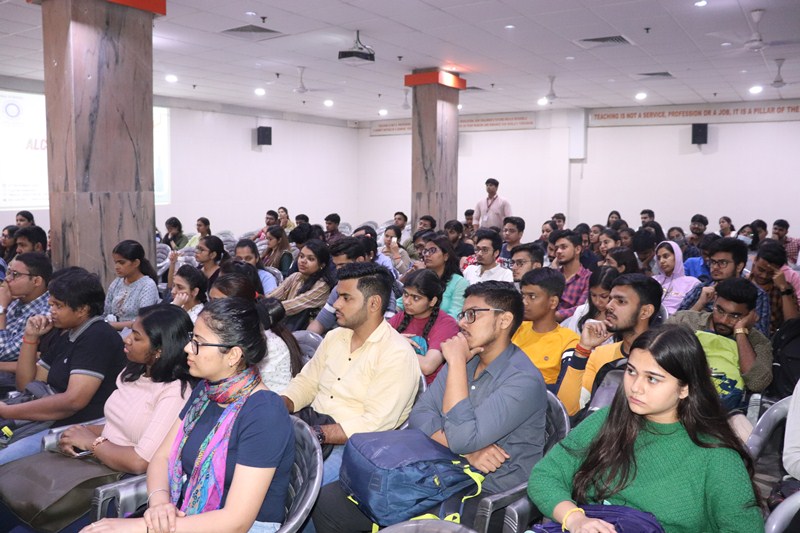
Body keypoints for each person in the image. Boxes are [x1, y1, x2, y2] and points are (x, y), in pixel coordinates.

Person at [312, 281, 548, 533]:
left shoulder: (522, 380)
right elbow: (420, 414)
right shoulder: (469, 359)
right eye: (462, 314)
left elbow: (462, 439)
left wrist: (455, 364)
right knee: (329, 502)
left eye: (472, 315)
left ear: (504, 320)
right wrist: (468, 453)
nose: (462, 323)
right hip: (443, 467)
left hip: (489, 493)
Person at [529, 324, 763, 532]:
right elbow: (546, 474)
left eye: (652, 378)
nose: (635, 387)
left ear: (685, 388)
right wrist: (574, 519)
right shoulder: (608, 421)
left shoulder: (716, 456)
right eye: (631, 371)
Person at [90, 298, 295, 533]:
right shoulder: (205, 392)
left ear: (233, 355)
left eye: (199, 342)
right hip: (190, 515)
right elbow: (162, 457)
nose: (188, 348)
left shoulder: (265, 413)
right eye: (191, 338)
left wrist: (142, 527)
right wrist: (159, 506)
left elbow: (237, 521)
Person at [0, 304, 195, 532]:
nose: (126, 339)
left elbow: (140, 461)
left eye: (136, 337)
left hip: (116, 481)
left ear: (159, 350)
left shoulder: (174, 392)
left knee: (27, 518)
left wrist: (91, 442)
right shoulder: (135, 373)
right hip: (95, 461)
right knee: (11, 491)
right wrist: (82, 434)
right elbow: (118, 425)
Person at [281, 262, 419, 486]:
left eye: (346, 298)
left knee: (291, 484)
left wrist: (317, 433)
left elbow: (374, 424)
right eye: (338, 296)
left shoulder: (396, 354)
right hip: (313, 426)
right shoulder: (335, 337)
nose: (336, 304)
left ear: (373, 303)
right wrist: (282, 403)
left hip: (352, 446)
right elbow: (307, 382)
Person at [0, 268, 126, 465]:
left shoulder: (97, 336)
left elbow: (73, 401)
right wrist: (30, 337)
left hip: (73, 427)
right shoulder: (68, 333)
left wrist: (9, 412)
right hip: (43, 418)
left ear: (82, 309)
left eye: (58, 306)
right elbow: (26, 383)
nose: (51, 311)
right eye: (51, 304)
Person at [556, 274, 663, 415]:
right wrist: (583, 348)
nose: (608, 306)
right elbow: (567, 409)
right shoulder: (601, 354)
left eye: (621, 301)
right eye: (610, 299)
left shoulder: (663, 358)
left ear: (645, 312)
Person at [668, 277, 773, 410]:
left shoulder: (758, 342)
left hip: (724, 412)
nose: (724, 320)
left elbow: (756, 383)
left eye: (735, 316)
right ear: (715, 300)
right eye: (720, 310)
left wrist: (740, 332)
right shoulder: (684, 321)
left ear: (750, 315)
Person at [210, 273, 303, 394]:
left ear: (240, 308)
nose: (210, 308)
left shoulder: (265, 341)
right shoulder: (234, 329)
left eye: (217, 303)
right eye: (210, 301)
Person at [678, 237, 771, 336]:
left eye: (722, 263)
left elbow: (761, 336)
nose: (715, 267)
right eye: (713, 262)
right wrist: (699, 304)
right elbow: (676, 323)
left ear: (739, 266)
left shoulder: (757, 295)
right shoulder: (702, 289)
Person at [390, 269, 459, 385]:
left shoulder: (447, 324)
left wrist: (394, 343)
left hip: (427, 388)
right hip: (396, 381)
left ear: (432, 301)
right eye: (405, 294)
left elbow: (427, 366)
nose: (407, 302)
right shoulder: (401, 317)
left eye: (416, 298)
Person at [513, 269, 579, 387]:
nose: (524, 302)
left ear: (553, 302)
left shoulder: (569, 341)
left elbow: (565, 389)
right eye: (523, 295)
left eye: (532, 296)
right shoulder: (515, 329)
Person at [0, 253, 51, 381]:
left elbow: (3, 353)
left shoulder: (44, 313)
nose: (7, 279)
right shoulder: (16, 299)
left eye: (15, 274)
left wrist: (1, 309)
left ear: (36, 281)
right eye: (8, 272)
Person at [267, 239, 334, 331]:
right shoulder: (295, 276)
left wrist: (268, 309)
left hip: (304, 332)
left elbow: (296, 304)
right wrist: (262, 303)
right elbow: (274, 295)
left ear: (322, 265)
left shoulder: (323, 286)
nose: (303, 261)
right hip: (286, 324)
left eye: (311, 259)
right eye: (301, 256)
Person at [104, 240, 160, 332]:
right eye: (115, 262)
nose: (116, 267)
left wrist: (112, 325)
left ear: (136, 263)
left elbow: (143, 320)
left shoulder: (147, 285)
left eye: (121, 263)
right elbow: (106, 311)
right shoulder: (117, 282)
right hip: (112, 332)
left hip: (136, 334)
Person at [749, 240, 799, 336]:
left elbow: (792, 324)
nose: (764, 276)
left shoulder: (783, 289)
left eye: (770, 273)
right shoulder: (742, 281)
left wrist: (784, 289)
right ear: (755, 260)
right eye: (761, 269)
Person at [562, 266, 620, 340]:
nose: (597, 302)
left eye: (604, 296)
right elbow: (570, 338)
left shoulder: (621, 316)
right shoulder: (581, 311)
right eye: (593, 295)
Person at [550, 230, 591, 322]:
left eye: (563, 247)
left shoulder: (588, 278)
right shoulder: (553, 275)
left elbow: (581, 309)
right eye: (556, 248)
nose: (558, 251)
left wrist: (555, 315)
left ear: (577, 249)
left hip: (572, 325)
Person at [654, 240, 700, 315]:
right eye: (658, 258)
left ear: (677, 256)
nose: (661, 261)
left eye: (666, 256)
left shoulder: (692, 283)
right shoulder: (654, 281)